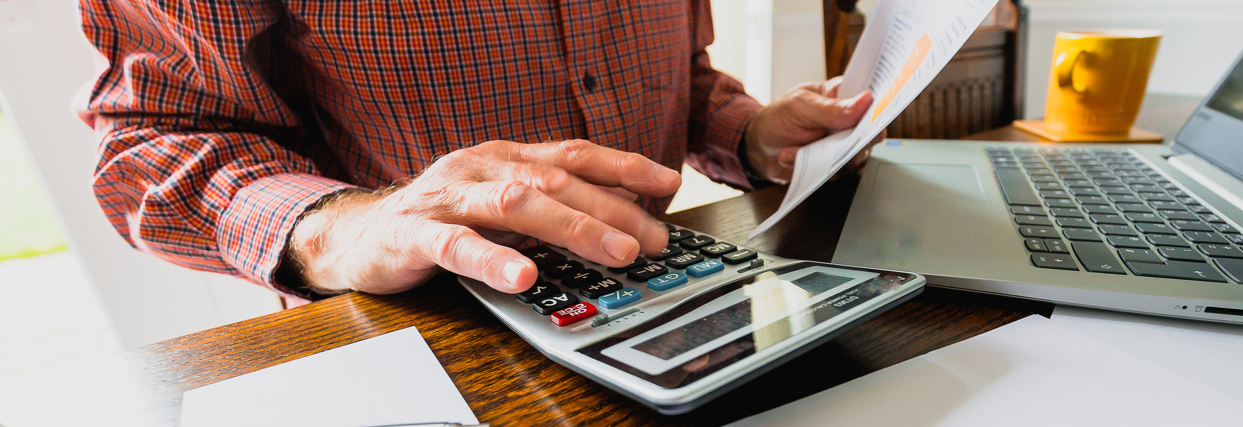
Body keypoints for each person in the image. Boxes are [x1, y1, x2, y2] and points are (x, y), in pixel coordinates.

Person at [78, 1, 873, 302]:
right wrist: (349, 229)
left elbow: (680, 76)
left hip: (669, 293)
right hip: (421, 335)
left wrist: (748, 131)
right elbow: (153, 140)